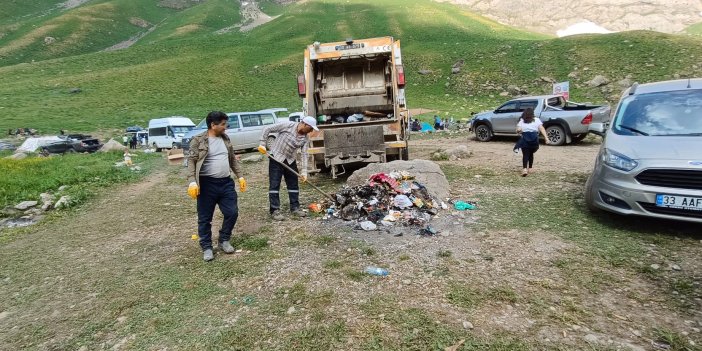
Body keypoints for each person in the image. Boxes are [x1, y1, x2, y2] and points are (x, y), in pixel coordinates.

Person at [187, 111, 247, 262]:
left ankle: (224, 240)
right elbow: (191, 161)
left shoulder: (225, 138)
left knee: (232, 212)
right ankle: (207, 247)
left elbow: (232, 159)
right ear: (213, 125)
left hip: (226, 182)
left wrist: (240, 176)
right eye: (223, 124)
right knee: (205, 218)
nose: (225, 127)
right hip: (207, 185)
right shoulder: (198, 140)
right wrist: (192, 181)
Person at [257, 116, 318, 221]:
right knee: (275, 184)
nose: (312, 130)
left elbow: (304, 154)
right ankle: (275, 210)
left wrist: (304, 172)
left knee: (293, 184)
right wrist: (262, 144)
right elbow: (267, 129)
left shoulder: (305, 138)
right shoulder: (288, 125)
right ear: (304, 124)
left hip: (290, 160)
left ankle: (295, 208)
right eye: (311, 128)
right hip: (276, 157)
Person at [514, 108, 550, 176]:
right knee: (531, 153)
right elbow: (541, 128)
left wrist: (519, 130)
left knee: (525, 154)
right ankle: (530, 168)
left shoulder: (522, 120)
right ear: (532, 113)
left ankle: (524, 169)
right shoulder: (536, 120)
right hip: (534, 138)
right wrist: (546, 138)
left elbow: (517, 130)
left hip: (525, 138)